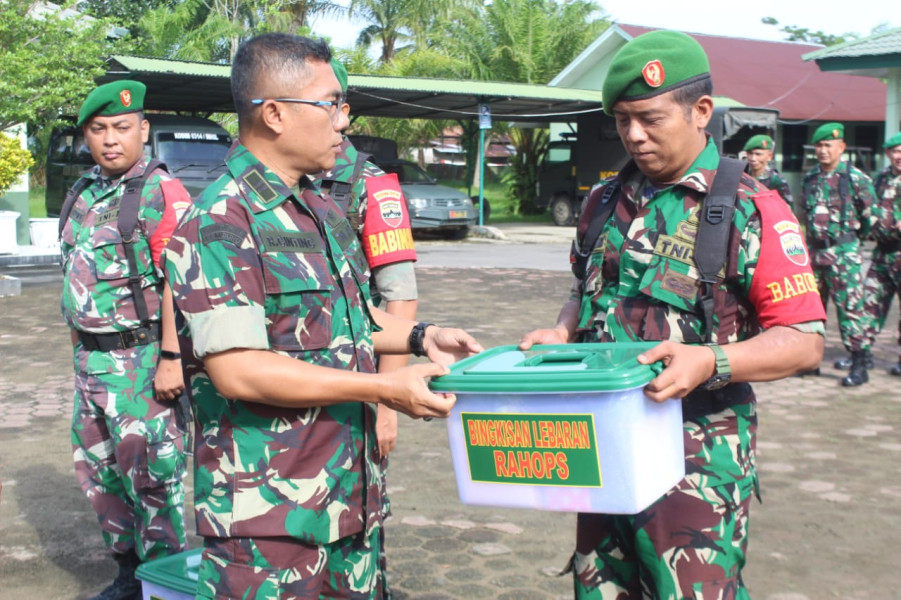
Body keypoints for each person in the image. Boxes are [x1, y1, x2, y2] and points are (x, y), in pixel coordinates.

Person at [163, 33, 482, 599]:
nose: (343, 121)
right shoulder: (221, 220)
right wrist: (381, 391)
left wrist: (421, 335)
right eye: (330, 103)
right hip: (270, 521)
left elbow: (350, 319)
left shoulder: (321, 207)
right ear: (275, 114)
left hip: (348, 500)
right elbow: (239, 370)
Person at [519, 30, 825, 599]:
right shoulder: (603, 201)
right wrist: (560, 329)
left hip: (696, 464)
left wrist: (711, 360)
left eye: (651, 118)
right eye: (622, 120)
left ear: (700, 111)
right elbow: (583, 291)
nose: (634, 135)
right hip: (604, 446)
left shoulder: (750, 207)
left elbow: (804, 341)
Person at [59, 80, 191, 600]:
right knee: (100, 475)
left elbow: (180, 283)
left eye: (120, 128)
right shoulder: (84, 193)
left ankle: (167, 583)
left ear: (142, 130)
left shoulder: (161, 192)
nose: (110, 139)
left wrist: (172, 359)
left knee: (153, 481)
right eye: (98, 130)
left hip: (142, 364)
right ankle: (127, 576)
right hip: (90, 366)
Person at [311, 57, 420, 590]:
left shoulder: (371, 186)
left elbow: (400, 299)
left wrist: (388, 402)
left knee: (358, 513)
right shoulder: (287, 183)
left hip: (360, 378)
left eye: (332, 106)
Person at [801, 122, 877, 386]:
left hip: (844, 255)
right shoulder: (810, 178)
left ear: (841, 147)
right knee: (812, 312)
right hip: (815, 255)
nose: (823, 151)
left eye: (828, 146)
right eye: (819, 146)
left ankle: (859, 364)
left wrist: (848, 241)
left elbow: (870, 219)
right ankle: (811, 362)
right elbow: (805, 214)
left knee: (851, 311)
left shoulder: (856, 179)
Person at [861, 131, 901, 375]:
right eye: (895, 151)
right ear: (887, 154)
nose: (899, 156)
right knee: (870, 302)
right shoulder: (882, 178)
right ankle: (862, 354)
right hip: (881, 253)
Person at [743, 134, 793, 206]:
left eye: (758, 154)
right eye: (750, 153)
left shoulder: (775, 180)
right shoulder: (742, 176)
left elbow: (787, 209)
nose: (753, 158)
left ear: (769, 156)